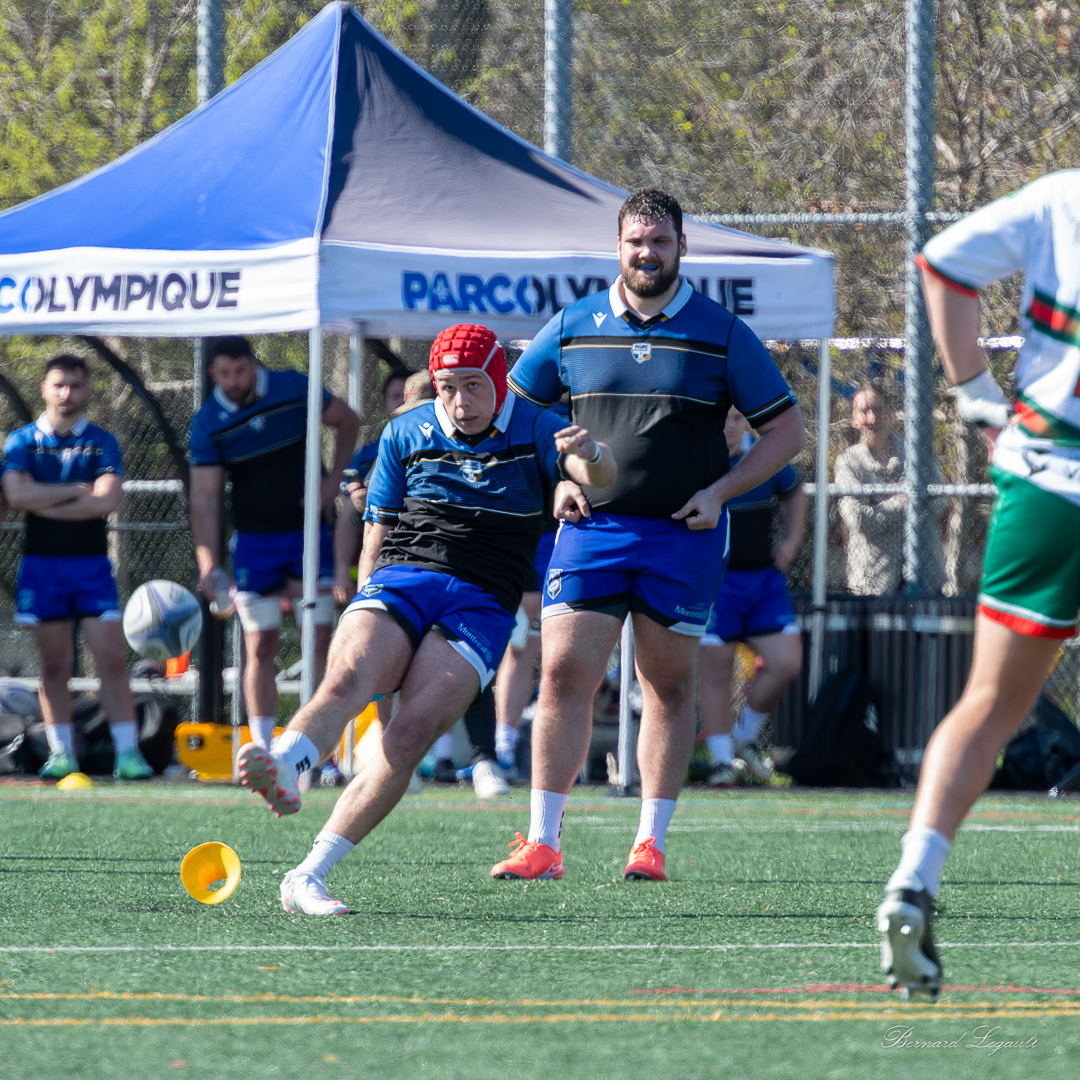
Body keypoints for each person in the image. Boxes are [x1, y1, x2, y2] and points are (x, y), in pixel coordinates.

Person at [234, 323, 615, 914]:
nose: (459, 402)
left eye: (471, 386)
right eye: (446, 388)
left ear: (497, 379)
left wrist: (589, 459)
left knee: (409, 734)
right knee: (348, 677)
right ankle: (286, 763)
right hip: (403, 577)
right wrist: (364, 601)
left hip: (483, 601)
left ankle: (308, 874)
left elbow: (593, 476)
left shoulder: (537, 425)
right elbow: (375, 530)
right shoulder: (404, 431)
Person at [492, 188, 805, 883]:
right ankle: (543, 843)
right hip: (590, 529)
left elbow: (786, 432)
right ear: (618, 245)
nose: (647, 252)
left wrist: (722, 492)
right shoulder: (574, 325)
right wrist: (556, 480)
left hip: (681, 538)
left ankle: (649, 844)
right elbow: (517, 415)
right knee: (561, 673)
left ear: (681, 247)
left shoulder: (720, 331)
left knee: (664, 685)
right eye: (636, 240)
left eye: (660, 242)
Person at [876, 170, 1080, 999]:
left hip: (1046, 477)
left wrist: (975, 397)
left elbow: (942, 265)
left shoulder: (1062, 196)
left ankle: (913, 881)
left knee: (990, 704)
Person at [187, 336, 359, 750]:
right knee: (259, 645)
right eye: (224, 374)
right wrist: (209, 563)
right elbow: (206, 500)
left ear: (254, 363)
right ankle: (261, 748)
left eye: (240, 370)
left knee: (317, 638)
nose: (234, 380)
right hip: (253, 543)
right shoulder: (208, 422)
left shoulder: (293, 387)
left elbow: (348, 420)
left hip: (308, 534)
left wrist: (332, 481)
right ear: (213, 374)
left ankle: (316, 747)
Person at [2, 355, 153, 780]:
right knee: (54, 665)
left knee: (110, 658)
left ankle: (128, 753)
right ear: (44, 389)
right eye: (58, 385)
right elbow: (16, 496)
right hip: (41, 567)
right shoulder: (21, 441)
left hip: (91, 567)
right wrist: (74, 492)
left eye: (75, 385)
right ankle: (61, 753)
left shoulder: (102, 441)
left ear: (87, 391)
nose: (66, 393)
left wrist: (44, 497)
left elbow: (105, 501)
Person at [698, 407, 805, 786]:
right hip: (715, 585)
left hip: (763, 583)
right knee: (716, 669)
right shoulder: (698, 456)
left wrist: (792, 541)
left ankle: (743, 737)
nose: (728, 425)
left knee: (787, 662)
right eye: (721, 417)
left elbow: (795, 493)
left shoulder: (764, 456)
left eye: (735, 418)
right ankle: (722, 762)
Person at [835, 383, 944, 595]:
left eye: (878, 409)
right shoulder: (848, 461)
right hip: (873, 580)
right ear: (854, 420)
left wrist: (879, 510)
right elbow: (858, 520)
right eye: (864, 411)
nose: (872, 418)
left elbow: (940, 500)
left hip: (926, 573)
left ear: (891, 413)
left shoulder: (916, 451)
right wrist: (907, 500)